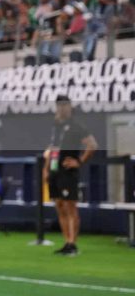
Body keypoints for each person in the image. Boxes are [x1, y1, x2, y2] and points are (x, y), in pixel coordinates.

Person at [44, 95, 97, 256]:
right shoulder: (56, 126)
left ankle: (73, 243)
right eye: (59, 105)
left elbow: (92, 145)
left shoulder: (76, 126)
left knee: (70, 206)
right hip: (55, 169)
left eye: (65, 105)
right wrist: (46, 169)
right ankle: (66, 241)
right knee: (59, 205)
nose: (62, 108)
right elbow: (53, 148)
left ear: (70, 107)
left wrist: (79, 161)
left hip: (68, 171)